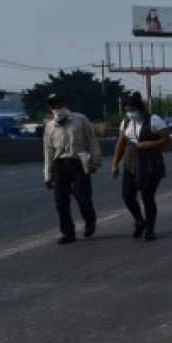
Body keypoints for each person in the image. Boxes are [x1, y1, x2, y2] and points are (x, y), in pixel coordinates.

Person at [111, 92, 171, 242]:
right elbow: (120, 144)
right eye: (127, 110)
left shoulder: (154, 120)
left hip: (150, 164)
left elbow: (167, 140)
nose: (129, 113)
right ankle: (139, 221)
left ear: (140, 109)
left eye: (132, 110)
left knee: (147, 197)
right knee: (127, 196)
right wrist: (115, 164)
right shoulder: (125, 123)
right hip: (130, 163)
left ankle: (150, 230)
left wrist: (150, 144)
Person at [43, 93, 102, 244]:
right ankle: (68, 232)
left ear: (64, 103)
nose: (56, 107)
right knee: (60, 201)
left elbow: (92, 141)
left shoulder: (80, 119)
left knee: (83, 198)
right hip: (60, 163)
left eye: (58, 103)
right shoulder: (50, 126)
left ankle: (90, 221)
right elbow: (48, 150)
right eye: (53, 104)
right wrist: (48, 175)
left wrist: (95, 162)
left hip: (80, 159)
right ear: (50, 107)